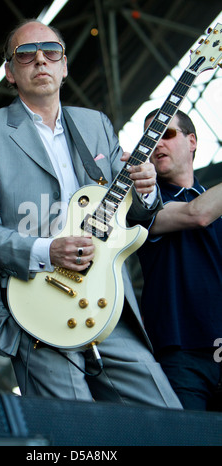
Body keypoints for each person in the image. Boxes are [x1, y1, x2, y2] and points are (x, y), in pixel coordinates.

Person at [0, 19, 182, 408]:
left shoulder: (95, 124)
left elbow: (136, 213)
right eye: (26, 54)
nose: (40, 60)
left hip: (107, 300)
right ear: (11, 72)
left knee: (165, 414)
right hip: (38, 303)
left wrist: (146, 186)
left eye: (51, 52)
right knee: (73, 426)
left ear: (65, 65)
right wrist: (48, 250)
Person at [127, 108, 222, 410]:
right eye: (150, 137)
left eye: (165, 133)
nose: (156, 144)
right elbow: (198, 214)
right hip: (179, 352)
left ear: (192, 141)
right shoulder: (140, 207)